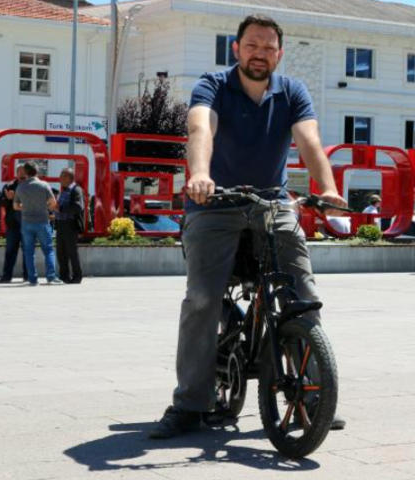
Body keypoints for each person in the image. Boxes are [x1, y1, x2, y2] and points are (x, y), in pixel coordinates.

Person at [149, 14, 348, 439]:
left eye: (269, 47)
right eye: (252, 45)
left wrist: (327, 188)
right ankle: (189, 404)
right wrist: (200, 174)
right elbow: (201, 127)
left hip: (271, 202)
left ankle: (315, 396)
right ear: (236, 49)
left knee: (303, 294)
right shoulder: (213, 85)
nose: (260, 53)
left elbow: (309, 140)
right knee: (202, 299)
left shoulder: (292, 91)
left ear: (279, 53)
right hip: (214, 203)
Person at [15, 162, 62, 286]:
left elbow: (15, 206)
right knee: (48, 250)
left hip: (26, 222)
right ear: (37, 171)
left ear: (25, 172)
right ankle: (51, 277)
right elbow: (53, 203)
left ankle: (32, 279)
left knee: (29, 252)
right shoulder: (44, 185)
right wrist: (44, 207)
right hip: (42, 221)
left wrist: (25, 207)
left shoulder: (21, 187)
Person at [0, 166, 29, 283]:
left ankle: (28, 275)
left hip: (28, 225)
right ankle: (6, 275)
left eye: (24, 172)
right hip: (13, 225)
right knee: (10, 250)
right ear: (16, 174)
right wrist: (8, 198)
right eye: (20, 172)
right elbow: (1, 203)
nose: (22, 175)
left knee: (28, 251)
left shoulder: (32, 186)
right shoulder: (9, 186)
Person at [54, 168, 85, 284]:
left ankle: (77, 277)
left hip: (70, 225)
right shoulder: (64, 190)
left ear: (68, 177)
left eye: (62, 176)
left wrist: (60, 209)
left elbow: (78, 207)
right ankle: (64, 276)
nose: (59, 179)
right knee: (61, 252)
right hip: (61, 225)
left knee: (72, 251)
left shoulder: (76, 190)